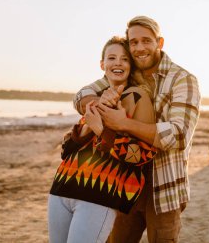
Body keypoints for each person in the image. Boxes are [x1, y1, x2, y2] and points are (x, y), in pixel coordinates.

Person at [73, 15, 201, 243]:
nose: (139, 48)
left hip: (164, 188)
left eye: (146, 41)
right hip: (124, 182)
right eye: (133, 42)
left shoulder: (182, 79)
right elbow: (81, 96)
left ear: (159, 43)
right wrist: (99, 103)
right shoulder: (127, 71)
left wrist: (122, 123)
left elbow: (179, 135)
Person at [48, 36, 156, 243]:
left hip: (98, 194)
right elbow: (67, 149)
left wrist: (101, 131)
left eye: (124, 59)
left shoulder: (138, 97)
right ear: (102, 65)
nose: (117, 63)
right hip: (62, 187)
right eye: (112, 58)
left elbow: (144, 154)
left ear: (131, 65)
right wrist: (89, 125)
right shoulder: (95, 96)